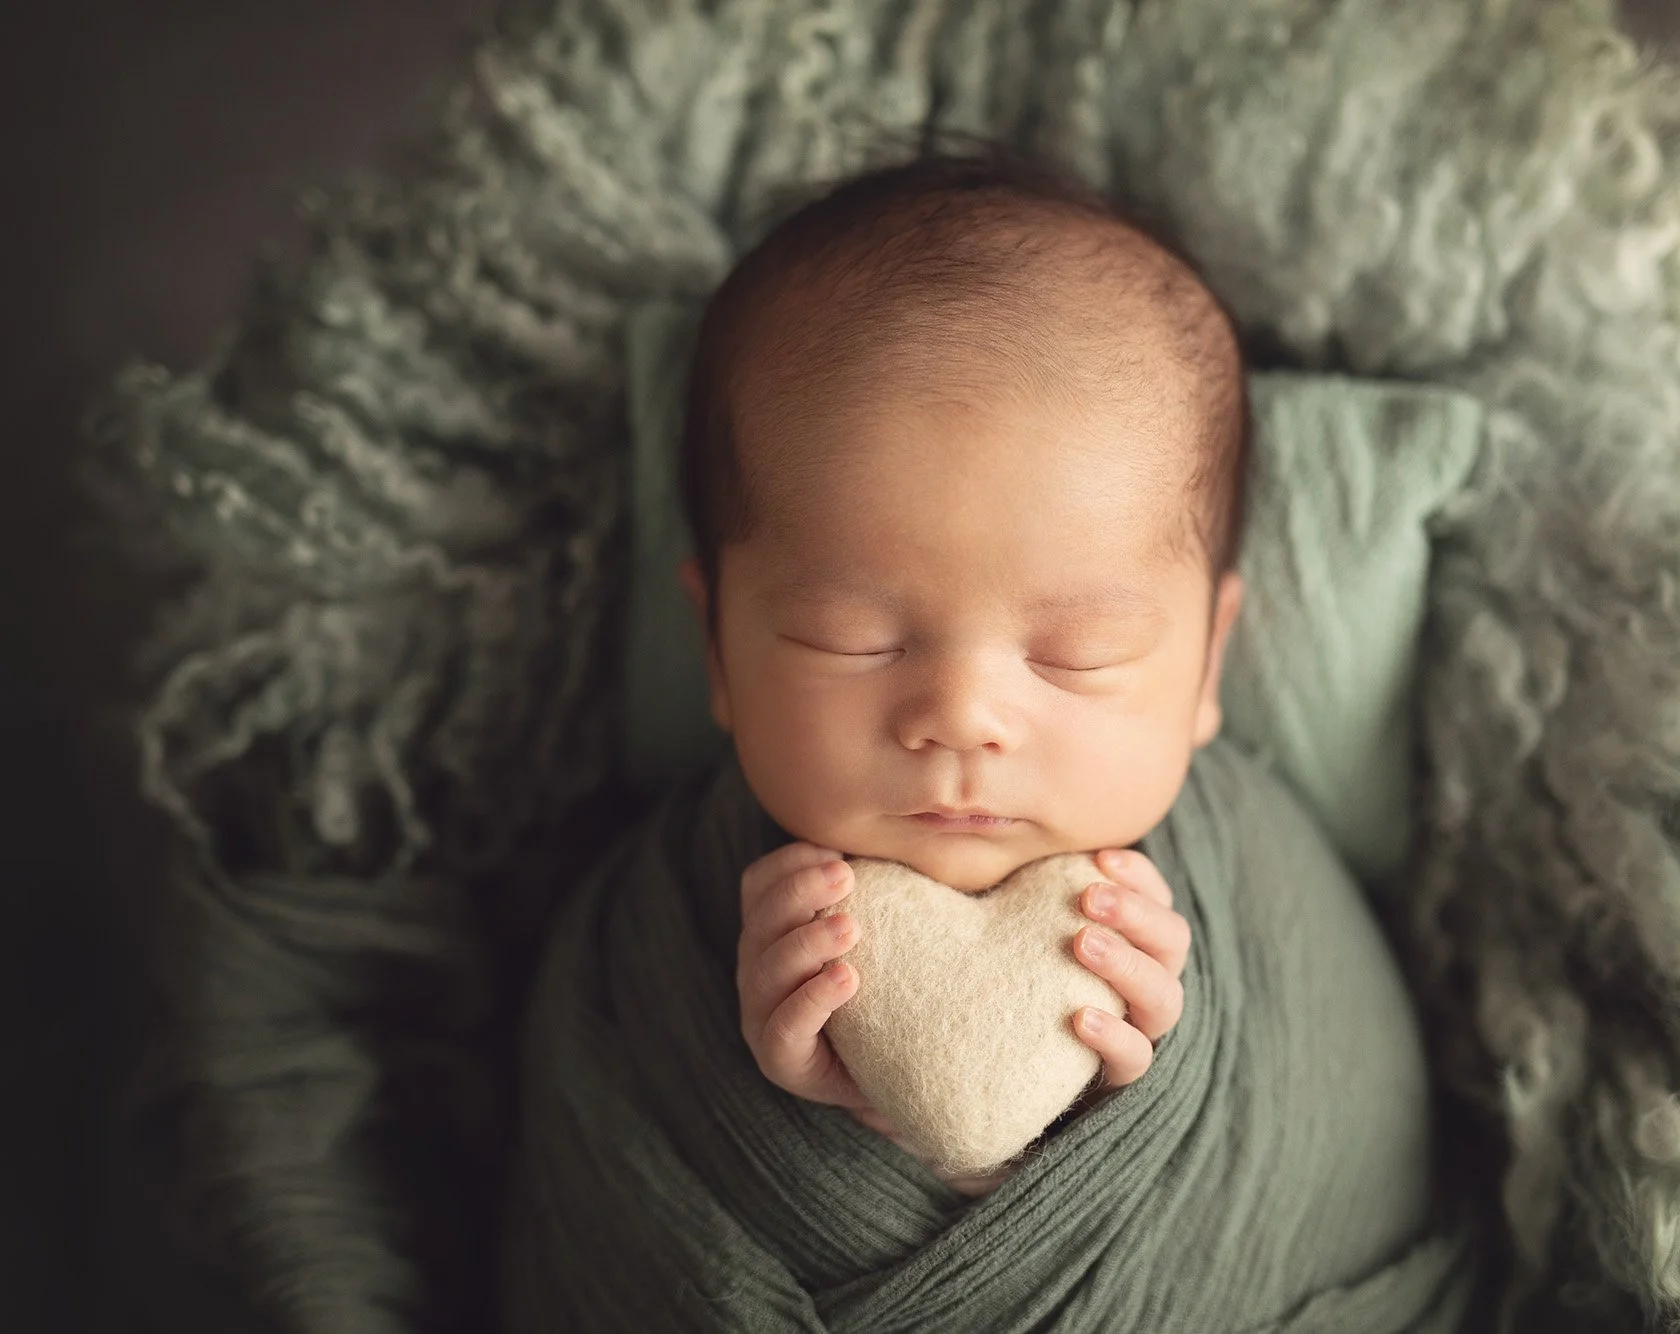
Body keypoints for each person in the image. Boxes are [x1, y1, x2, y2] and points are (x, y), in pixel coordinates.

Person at [504, 142, 1482, 1332]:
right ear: (714, 646)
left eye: (1076, 652)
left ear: (1207, 662)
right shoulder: (653, 929)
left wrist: (1112, 1092)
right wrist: (837, 1103)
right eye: (847, 636)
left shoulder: (1271, 878)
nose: (961, 714)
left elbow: (1348, 1120)